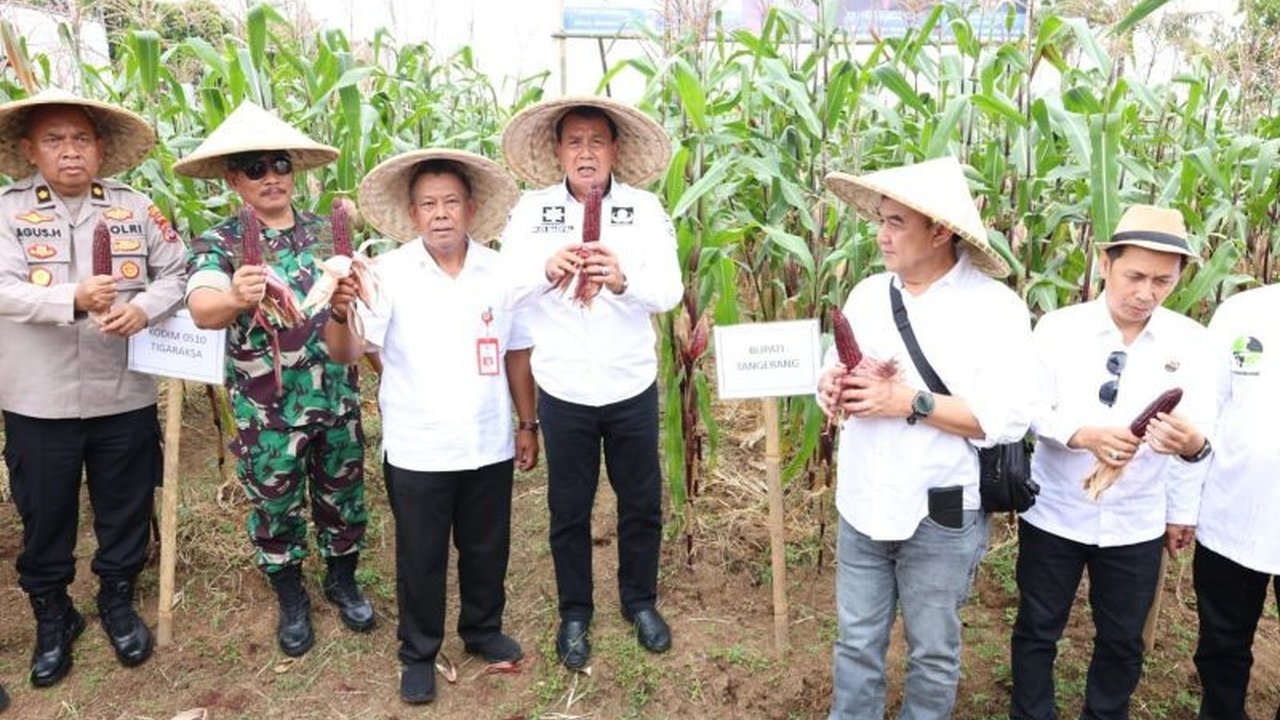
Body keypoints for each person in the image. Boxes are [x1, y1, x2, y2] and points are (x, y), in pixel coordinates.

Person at [817, 156, 1037, 718]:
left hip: (942, 508)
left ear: (940, 232)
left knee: (933, 651)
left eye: (896, 222)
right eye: (881, 219)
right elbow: (839, 366)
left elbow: (1009, 417)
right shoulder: (868, 294)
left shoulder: (995, 308)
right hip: (862, 498)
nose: (881, 234)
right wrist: (830, 384)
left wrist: (908, 402)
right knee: (856, 641)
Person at [326, 148, 536, 704]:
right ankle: (418, 652)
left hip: (488, 439)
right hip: (419, 445)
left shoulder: (500, 272)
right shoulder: (387, 274)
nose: (440, 214)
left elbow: (517, 352)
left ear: (471, 208)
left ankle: (482, 629)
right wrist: (340, 311)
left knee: (486, 546)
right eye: (427, 204)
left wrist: (527, 423)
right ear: (413, 213)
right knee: (421, 556)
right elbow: (349, 352)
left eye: (450, 202)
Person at [0, 88, 187, 687]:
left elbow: (177, 272)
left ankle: (117, 597)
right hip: (39, 399)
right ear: (30, 150)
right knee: (45, 513)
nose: (70, 151)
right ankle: (54, 613)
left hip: (122, 392)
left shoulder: (135, 207)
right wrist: (72, 298)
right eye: (54, 139)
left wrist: (145, 308)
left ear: (100, 149)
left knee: (125, 504)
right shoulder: (7, 212)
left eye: (81, 139)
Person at [176, 100, 373, 657]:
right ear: (233, 179)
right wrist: (235, 298)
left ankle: (342, 579)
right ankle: (290, 595)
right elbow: (202, 308)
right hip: (268, 409)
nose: (271, 177)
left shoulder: (325, 234)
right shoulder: (219, 244)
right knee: (276, 503)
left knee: (342, 493)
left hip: (335, 396)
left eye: (280, 164)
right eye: (255, 168)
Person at [1010, 205, 1214, 720]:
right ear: (1106, 264)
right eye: (1135, 276)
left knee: (1123, 640)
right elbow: (1028, 408)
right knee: (1038, 628)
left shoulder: (1191, 342)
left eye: (1163, 281)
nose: (1146, 293)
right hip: (1055, 511)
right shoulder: (1058, 329)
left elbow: (1195, 438)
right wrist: (1082, 434)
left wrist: (1182, 501)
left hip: (1136, 520)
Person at [498, 97, 682, 670]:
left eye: (596, 141)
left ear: (615, 150)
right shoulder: (532, 213)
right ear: (558, 151)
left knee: (641, 503)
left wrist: (624, 281)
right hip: (565, 389)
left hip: (630, 385)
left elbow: (670, 291)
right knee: (569, 509)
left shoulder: (645, 211)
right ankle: (575, 612)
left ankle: (639, 601)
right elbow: (504, 290)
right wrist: (543, 271)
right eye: (574, 141)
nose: (585, 152)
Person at [1193, 281, 1279, 720]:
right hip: (1233, 510)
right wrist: (1183, 505)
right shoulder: (1242, 311)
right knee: (1222, 642)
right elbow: (1205, 408)